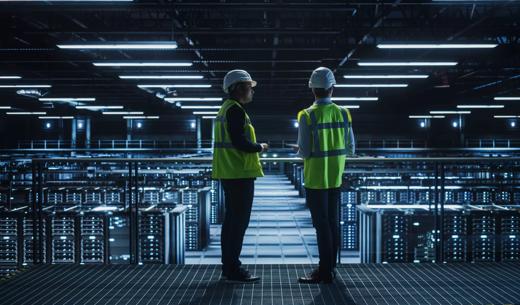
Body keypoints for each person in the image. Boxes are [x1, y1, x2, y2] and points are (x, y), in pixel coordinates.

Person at [296, 67, 355, 284]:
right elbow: (351, 148)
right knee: (332, 223)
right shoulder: (343, 113)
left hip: (316, 178)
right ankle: (330, 269)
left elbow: (305, 151)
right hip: (335, 177)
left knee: (321, 226)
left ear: (313, 90)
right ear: (332, 88)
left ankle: (324, 271)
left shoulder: (307, 115)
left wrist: (299, 150)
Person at [212, 69, 269, 283]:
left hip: (230, 173)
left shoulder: (226, 109)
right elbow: (239, 142)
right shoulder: (235, 110)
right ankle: (233, 268)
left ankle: (229, 267)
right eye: (248, 86)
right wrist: (260, 147)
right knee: (237, 224)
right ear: (237, 88)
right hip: (239, 174)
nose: (251, 90)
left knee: (232, 223)